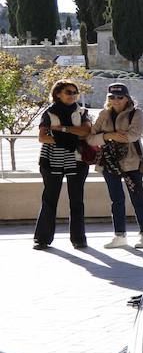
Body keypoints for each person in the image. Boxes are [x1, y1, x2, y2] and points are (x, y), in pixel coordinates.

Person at [87, 83, 143, 249]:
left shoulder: (136, 114)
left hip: (132, 163)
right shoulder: (104, 114)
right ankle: (119, 235)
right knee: (116, 200)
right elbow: (90, 139)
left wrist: (105, 137)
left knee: (138, 198)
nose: (115, 100)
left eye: (119, 97)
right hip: (109, 163)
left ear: (127, 98)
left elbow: (133, 136)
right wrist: (111, 135)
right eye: (112, 97)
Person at [33, 78, 91, 250]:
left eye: (75, 92)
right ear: (58, 94)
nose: (72, 95)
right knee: (49, 200)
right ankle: (42, 239)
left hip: (77, 160)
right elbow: (42, 137)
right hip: (51, 160)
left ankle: (79, 239)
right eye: (68, 92)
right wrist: (73, 134)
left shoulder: (82, 112)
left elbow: (86, 132)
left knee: (77, 200)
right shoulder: (48, 113)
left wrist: (61, 130)